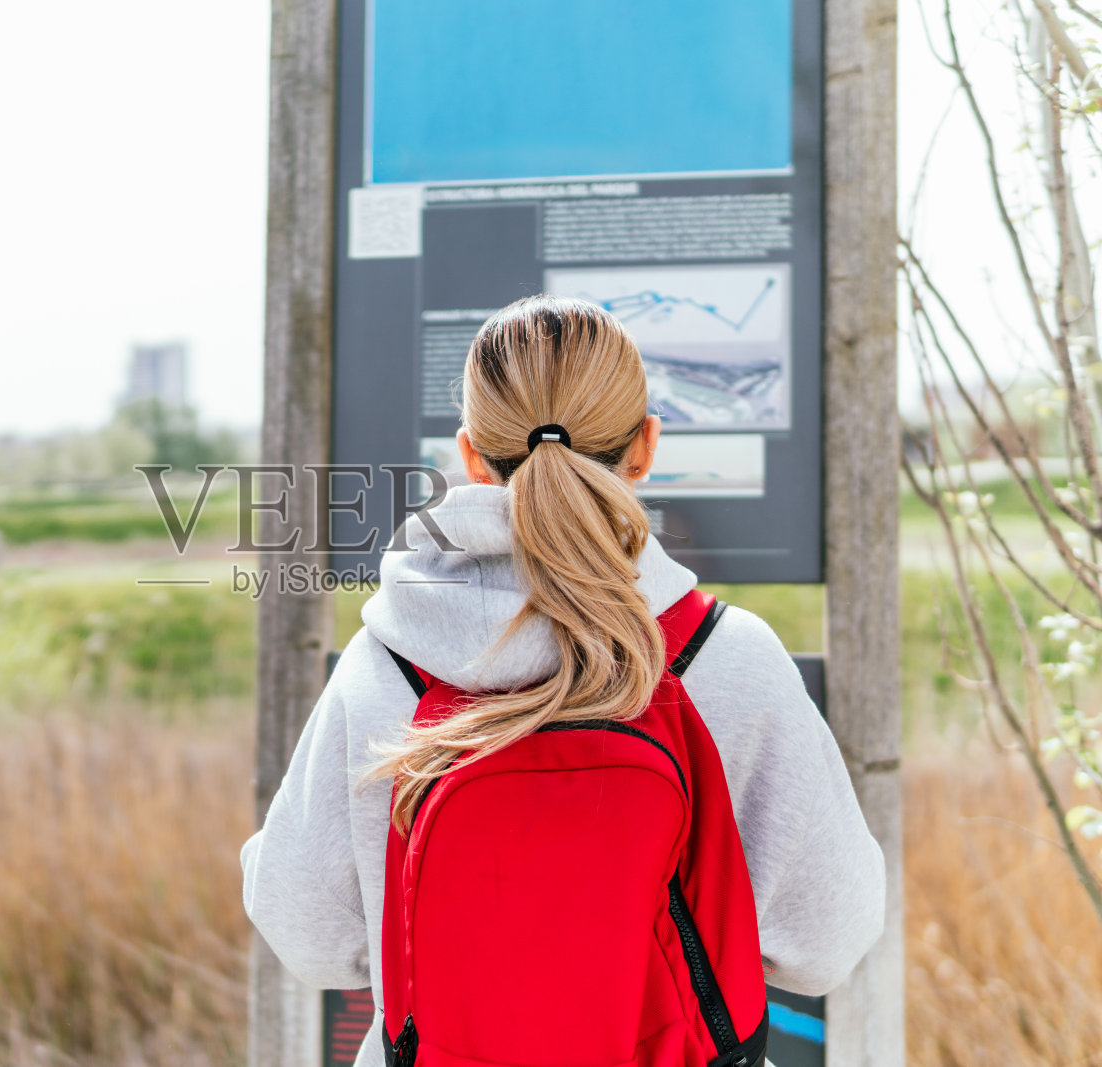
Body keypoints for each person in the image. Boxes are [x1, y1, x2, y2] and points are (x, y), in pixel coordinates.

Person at [240, 294, 886, 1067]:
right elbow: (829, 936)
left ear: (472, 455)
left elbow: (308, 931)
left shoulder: (387, 666)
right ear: (645, 447)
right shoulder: (722, 654)